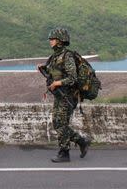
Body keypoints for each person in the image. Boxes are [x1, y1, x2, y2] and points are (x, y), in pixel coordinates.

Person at [38, 27, 91, 163]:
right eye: (50, 39)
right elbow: (53, 73)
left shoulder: (67, 56)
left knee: (60, 124)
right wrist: (42, 68)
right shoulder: (55, 57)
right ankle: (81, 141)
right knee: (57, 123)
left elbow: (72, 78)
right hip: (60, 96)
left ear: (60, 41)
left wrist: (57, 83)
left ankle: (65, 152)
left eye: (53, 39)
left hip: (68, 96)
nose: (50, 41)